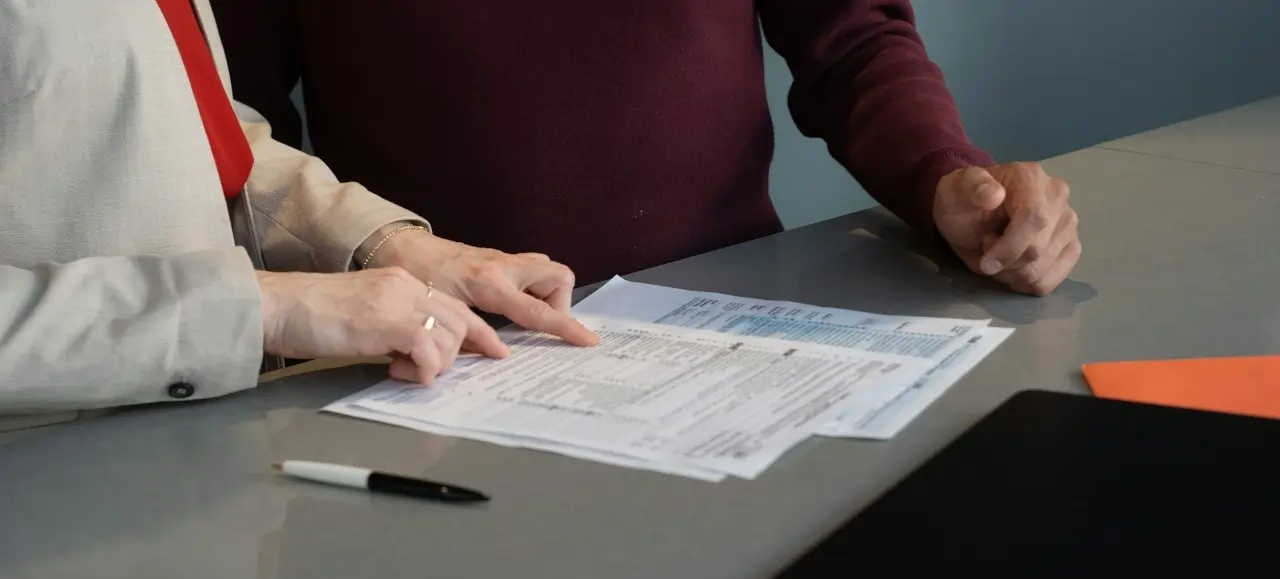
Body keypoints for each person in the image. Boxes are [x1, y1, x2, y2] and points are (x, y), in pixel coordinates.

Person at [212, 0, 1081, 296]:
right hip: (430, 347)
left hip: (726, 326)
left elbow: (852, 40)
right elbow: (234, 129)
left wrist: (945, 177)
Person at [0, 0, 596, 430]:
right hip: (45, 487)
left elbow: (183, 125)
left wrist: (381, 242)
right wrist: (264, 308)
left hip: (190, 444)